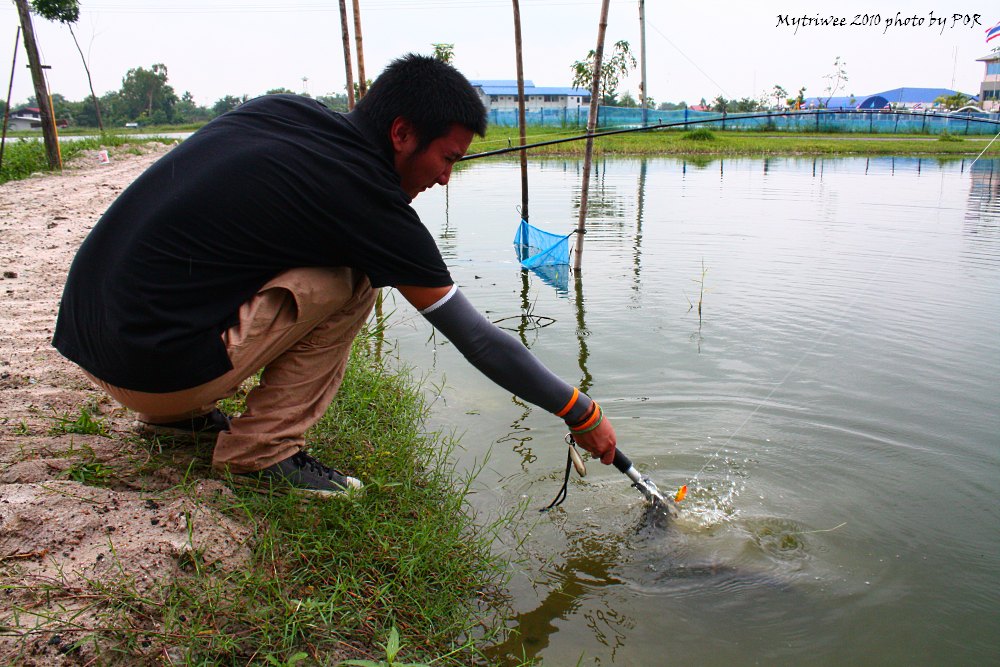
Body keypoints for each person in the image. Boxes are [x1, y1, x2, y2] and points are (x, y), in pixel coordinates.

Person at [52, 53, 617, 495]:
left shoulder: (285, 111)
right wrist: (578, 410)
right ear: (400, 134)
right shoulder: (367, 199)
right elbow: (476, 339)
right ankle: (263, 451)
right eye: (447, 158)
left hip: (95, 345)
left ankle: (184, 418)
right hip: (149, 375)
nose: (446, 178)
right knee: (354, 280)